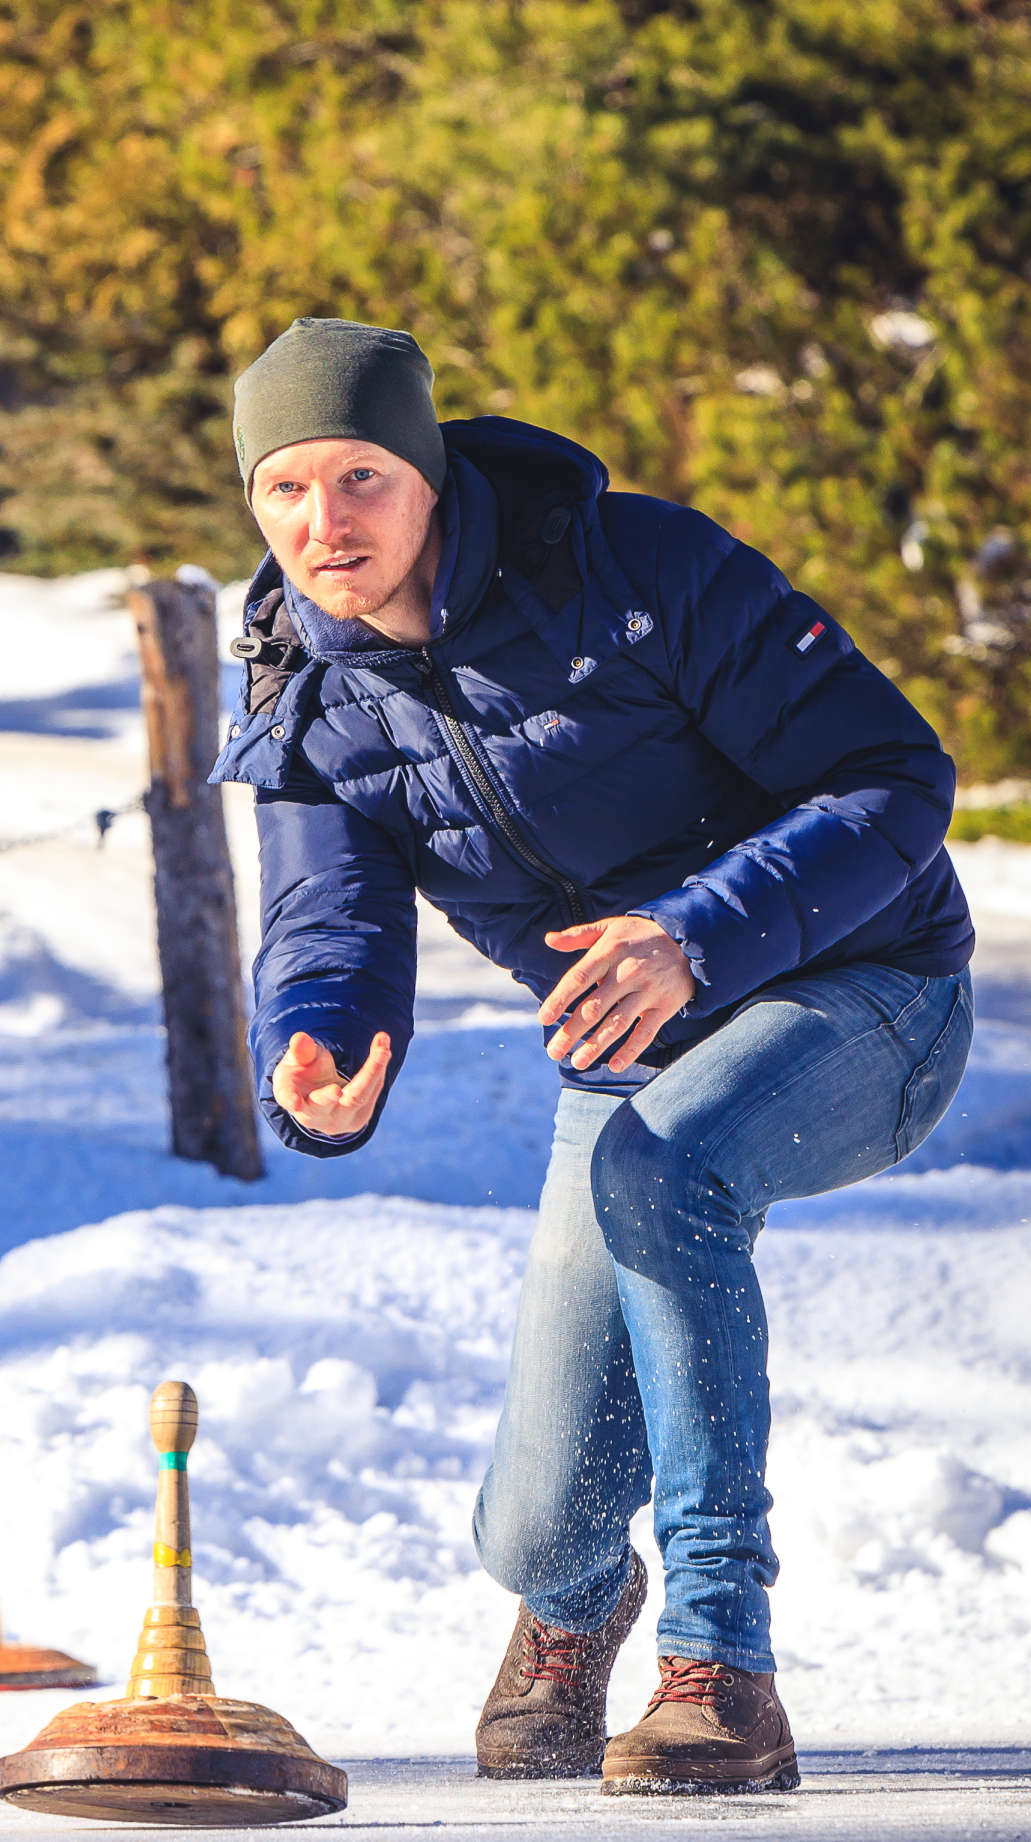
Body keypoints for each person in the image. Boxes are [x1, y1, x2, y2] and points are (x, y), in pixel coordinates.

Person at [215, 319, 973, 1794]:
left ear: (428, 473)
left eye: (362, 476)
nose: (326, 525)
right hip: (629, 1049)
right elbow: (330, 911)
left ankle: (718, 1661)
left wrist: (696, 933)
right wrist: (316, 1040)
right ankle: (574, 1609)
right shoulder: (302, 682)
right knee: (538, 1528)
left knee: (664, 1171)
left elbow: (896, 778)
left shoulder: (633, 572)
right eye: (284, 490)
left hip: (870, 989)